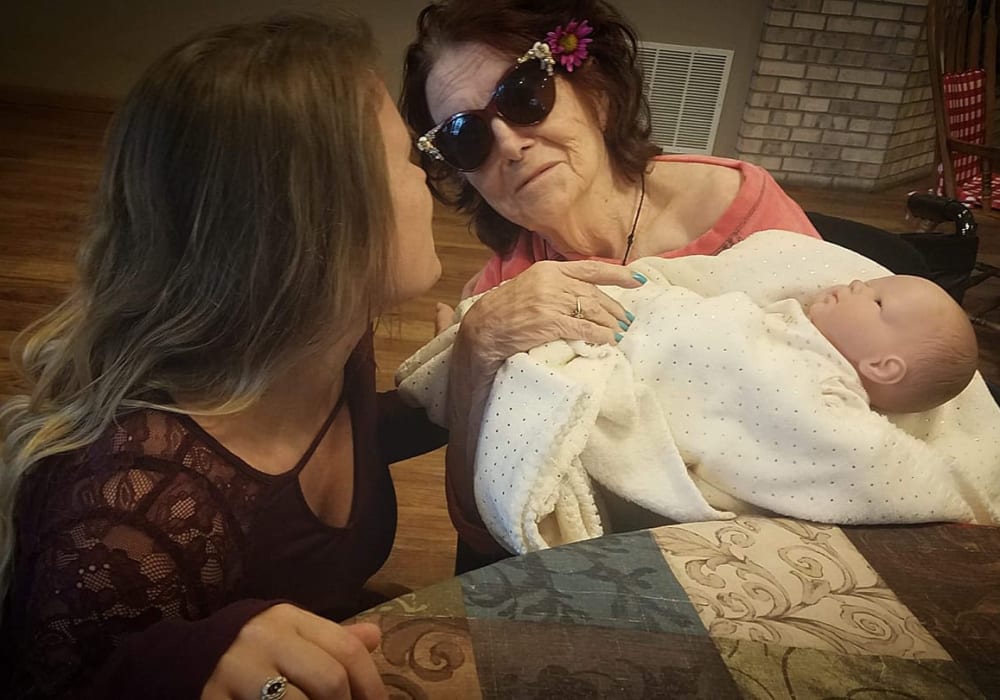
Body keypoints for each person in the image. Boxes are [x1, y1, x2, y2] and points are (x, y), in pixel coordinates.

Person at [0, 14, 449, 699]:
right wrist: (182, 664)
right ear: (317, 225)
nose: (427, 179)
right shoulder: (140, 512)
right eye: (406, 161)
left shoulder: (321, 338)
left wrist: (455, 386)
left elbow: (339, 443)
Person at [398, 0, 825, 568]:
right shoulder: (500, 294)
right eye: (465, 138)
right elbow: (480, 526)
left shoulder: (739, 210)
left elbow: (850, 383)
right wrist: (474, 350)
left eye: (525, 95)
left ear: (595, 92)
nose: (508, 145)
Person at [396, 248, 987, 554]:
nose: (859, 283)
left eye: (878, 302)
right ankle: (471, 350)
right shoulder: (785, 311)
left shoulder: (824, 395)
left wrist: (951, 494)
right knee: (516, 331)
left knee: (533, 379)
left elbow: (870, 462)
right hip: (630, 327)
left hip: (634, 379)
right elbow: (708, 290)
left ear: (883, 367)